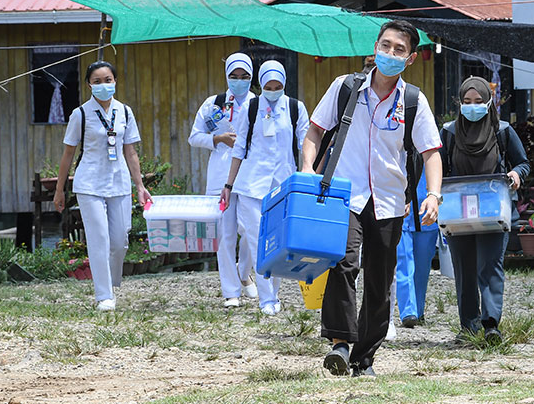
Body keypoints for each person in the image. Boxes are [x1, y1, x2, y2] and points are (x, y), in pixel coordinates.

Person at [301, 20, 443, 377]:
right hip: (343, 195)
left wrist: (434, 195)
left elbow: (431, 153)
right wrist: (307, 168)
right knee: (343, 262)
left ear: (410, 59)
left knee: (380, 280)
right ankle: (340, 343)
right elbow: (316, 130)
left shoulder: (413, 101)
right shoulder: (345, 87)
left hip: (390, 201)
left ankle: (364, 358)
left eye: (399, 50)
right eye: (386, 45)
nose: (391, 54)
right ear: (375, 47)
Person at [53, 60, 151, 311]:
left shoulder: (125, 112)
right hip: (89, 183)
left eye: (108, 80)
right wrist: (59, 189)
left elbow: (130, 152)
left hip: (118, 182)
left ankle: (111, 281)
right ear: (89, 85)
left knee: (120, 241)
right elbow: (68, 155)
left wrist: (139, 185)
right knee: (99, 239)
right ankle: (104, 296)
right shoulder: (81, 114)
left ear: (115, 82)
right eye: (97, 81)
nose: (103, 85)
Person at [440, 76, 529, 344]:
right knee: (464, 269)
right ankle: (468, 326)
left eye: (478, 101)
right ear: (459, 104)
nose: (473, 107)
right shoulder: (450, 133)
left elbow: (523, 162)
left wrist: (516, 174)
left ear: (489, 102)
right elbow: (439, 168)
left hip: (494, 210)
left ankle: (491, 325)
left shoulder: (502, 131)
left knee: (490, 266)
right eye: (467, 102)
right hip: (458, 212)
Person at [222, 60, 309, 315]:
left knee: (278, 242)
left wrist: (307, 175)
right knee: (257, 242)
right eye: (268, 86)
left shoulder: (295, 107)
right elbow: (238, 148)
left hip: (283, 184)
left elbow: (306, 143)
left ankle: (274, 293)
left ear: (284, 84)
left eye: (277, 85)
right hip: (251, 186)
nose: (272, 90)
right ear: (260, 84)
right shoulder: (251, 107)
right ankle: (266, 299)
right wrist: (229, 184)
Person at [188, 52, 258, 308]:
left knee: (252, 231)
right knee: (225, 234)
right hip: (220, 176)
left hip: (250, 176)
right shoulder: (213, 104)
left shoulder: (260, 104)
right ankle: (231, 291)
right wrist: (217, 139)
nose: (239, 80)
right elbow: (194, 137)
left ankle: (244, 272)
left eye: (244, 76)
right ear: (227, 76)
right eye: (234, 76)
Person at [394, 171, 438, 329]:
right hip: (400, 206)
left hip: (427, 208)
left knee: (423, 265)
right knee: (403, 259)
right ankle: (408, 311)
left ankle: (418, 310)